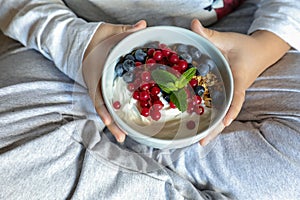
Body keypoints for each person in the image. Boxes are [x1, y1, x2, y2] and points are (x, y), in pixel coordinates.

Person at [0, 0, 299, 199]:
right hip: (81, 35)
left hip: (233, 35)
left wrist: (265, 43)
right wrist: (75, 44)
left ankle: (129, 146)